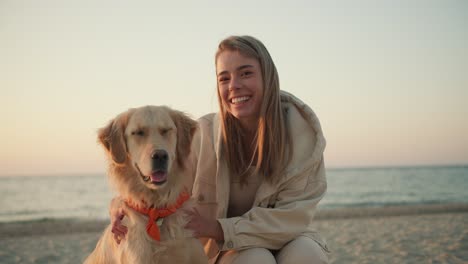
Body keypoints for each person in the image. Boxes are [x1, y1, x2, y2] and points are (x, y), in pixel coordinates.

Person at [110, 35, 330, 264]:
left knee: (308, 254)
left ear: (268, 77)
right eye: (224, 78)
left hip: (289, 238)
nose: (234, 85)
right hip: (226, 249)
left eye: (246, 73)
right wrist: (118, 206)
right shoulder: (202, 133)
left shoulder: (303, 134)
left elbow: (294, 217)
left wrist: (219, 228)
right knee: (256, 259)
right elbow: (158, 185)